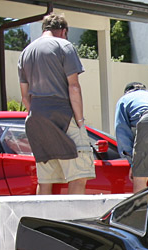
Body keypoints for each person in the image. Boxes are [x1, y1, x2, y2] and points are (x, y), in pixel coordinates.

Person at [17, 13, 94, 195]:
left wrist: (38, 116)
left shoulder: (25, 52)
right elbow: (73, 87)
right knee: (78, 176)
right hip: (64, 115)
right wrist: (80, 121)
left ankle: (42, 223)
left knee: (45, 180)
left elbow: (25, 96)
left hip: (37, 119)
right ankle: (72, 223)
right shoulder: (64, 46)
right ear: (64, 31)